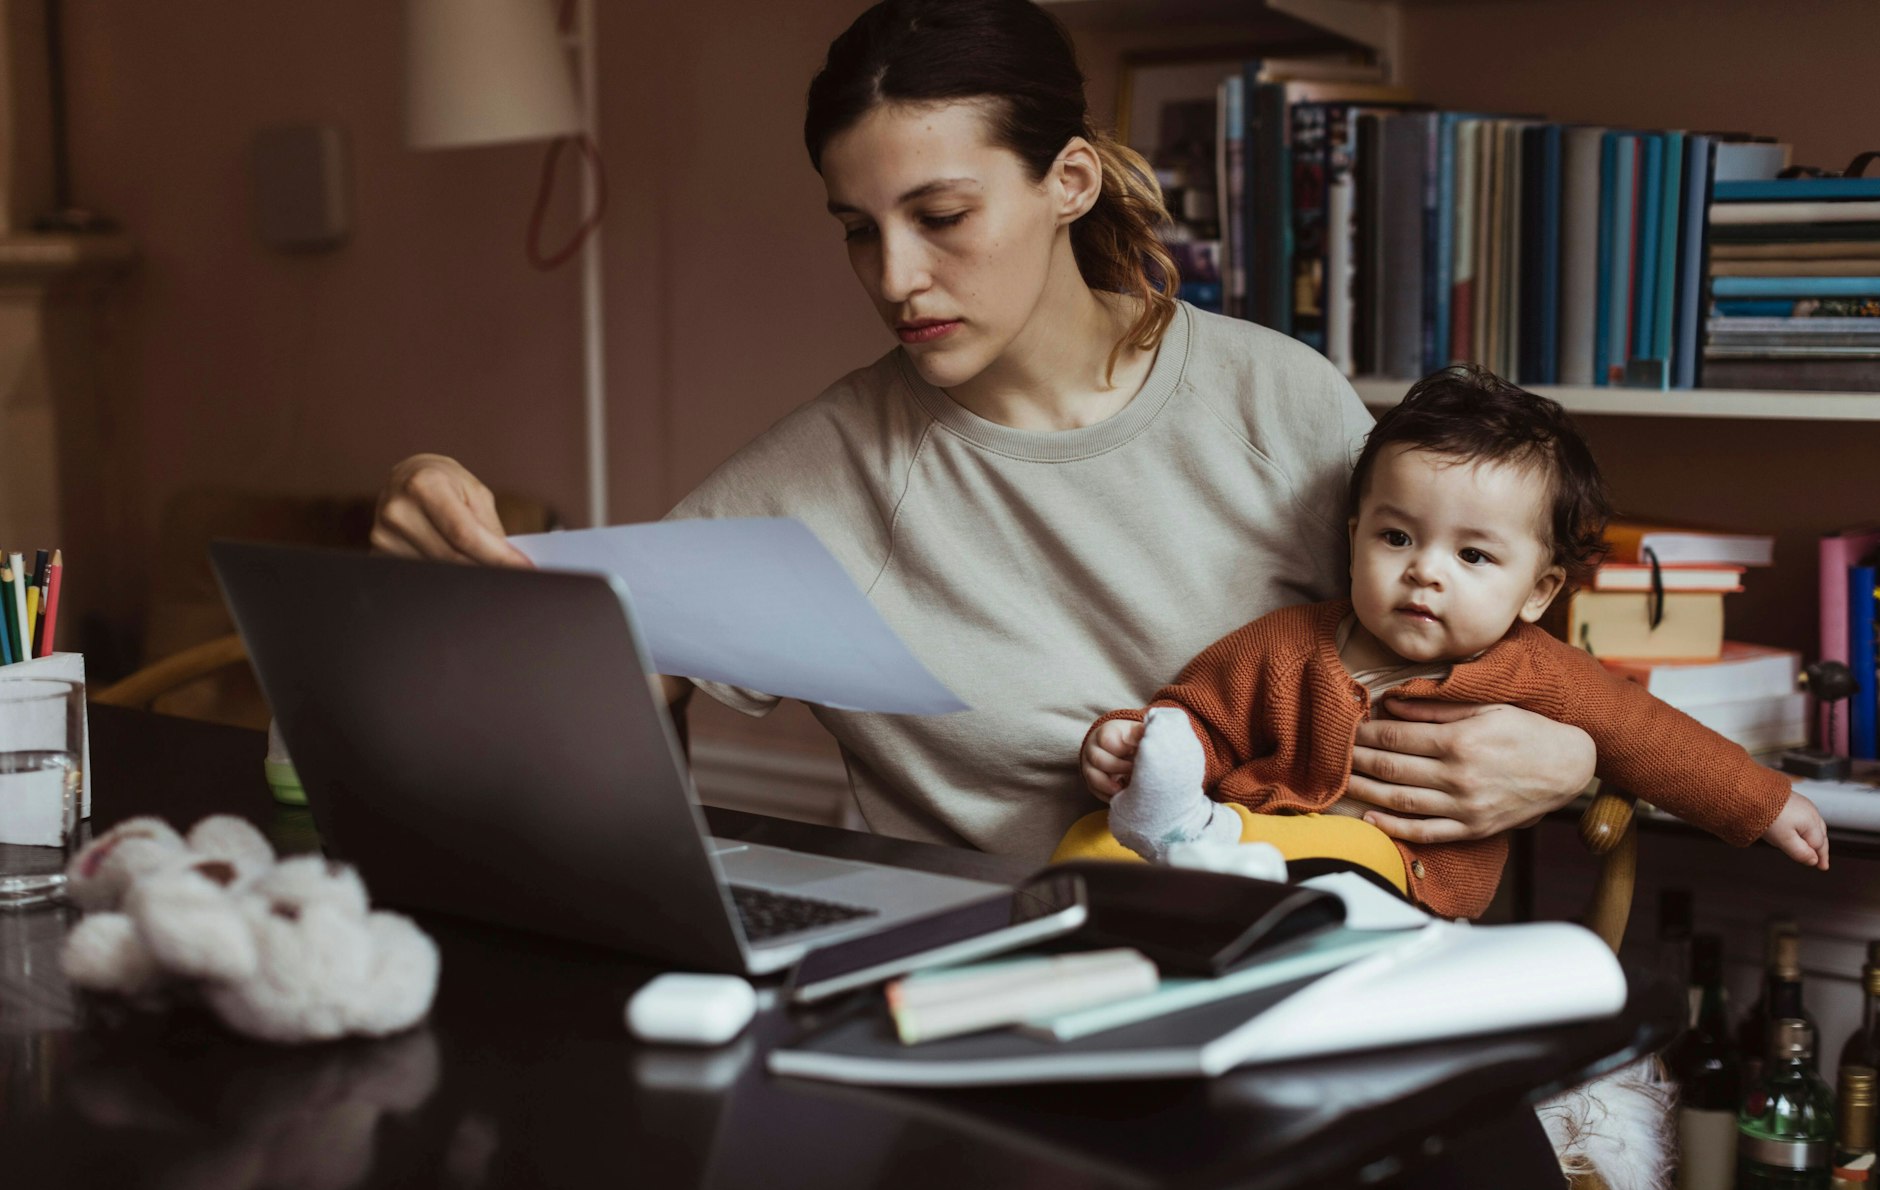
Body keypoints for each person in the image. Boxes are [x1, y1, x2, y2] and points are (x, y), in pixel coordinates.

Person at [370, 0, 1599, 865]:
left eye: (940, 214)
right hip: (963, 989)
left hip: (1298, 963)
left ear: (1068, 179)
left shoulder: (1275, 400)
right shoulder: (829, 465)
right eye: (858, 227)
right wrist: (446, 538)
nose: (895, 274)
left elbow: (1463, 642)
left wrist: (1569, 758)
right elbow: (604, 676)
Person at [1072, 366, 1830, 918]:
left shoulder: (1539, 672)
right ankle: (1177, 856)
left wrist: (1765, 803)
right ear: (1353, 537)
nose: (1424, 572)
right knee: (1086, 844)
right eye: (1397, 536)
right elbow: (1200, 715)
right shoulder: (1289, 643)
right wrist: (1136, 747)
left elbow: (1651, 736)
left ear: (1538, 591)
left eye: (1472, 555)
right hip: (1242, 841)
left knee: (1348, 857)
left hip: (1397, 880)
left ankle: (1212, 869)